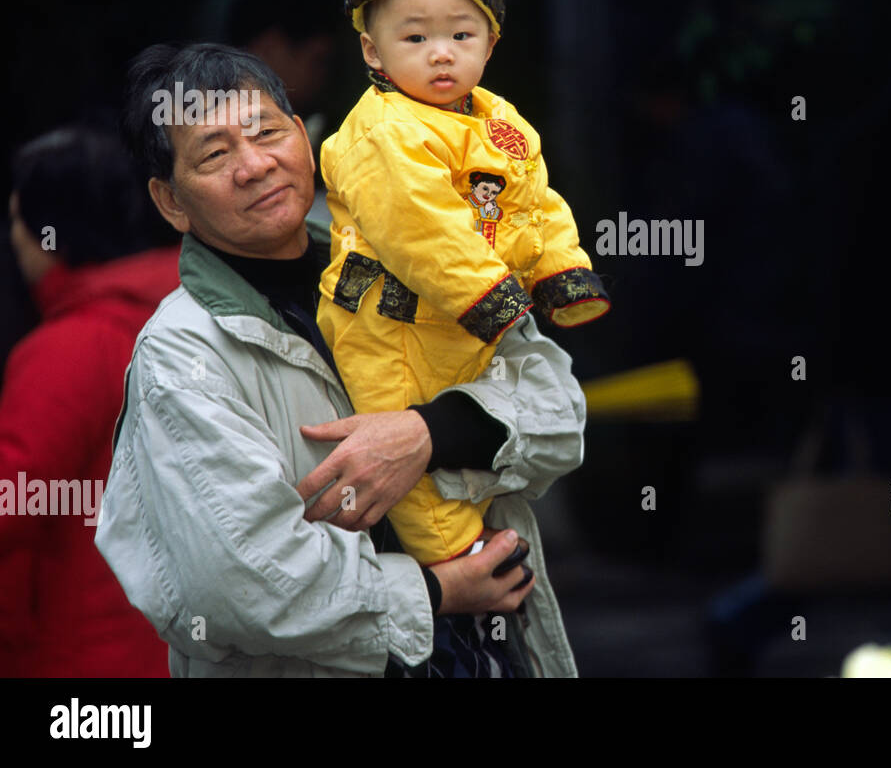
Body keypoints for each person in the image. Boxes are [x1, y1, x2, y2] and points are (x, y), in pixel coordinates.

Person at [96, 42, 584, 677]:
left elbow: (560, 414)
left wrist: (428, 435)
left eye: (266, 132)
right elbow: (242, 584)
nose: (254, 165)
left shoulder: (415, 259)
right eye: (215, 154)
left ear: (303, 137)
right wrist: (435, 593)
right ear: (171, 202)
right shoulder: (183, 352)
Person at [317, 0, 610, 567]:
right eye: (414, 36)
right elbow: (416, 223)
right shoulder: (382, 129)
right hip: (388, 323)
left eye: (460, 33)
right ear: (373, 50)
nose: (441, 52)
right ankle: (457, 557)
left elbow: (534, 203)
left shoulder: (502, 124)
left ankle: (476, 560)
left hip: (473, 323)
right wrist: (488, 292)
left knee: (484, 435)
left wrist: (560, 270)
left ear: (490, 43)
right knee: (399, 443)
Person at [0, 127, 178, 677]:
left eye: (16, 220)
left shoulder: (73, 347)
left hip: (84, 660)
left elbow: (14, 500)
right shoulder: (187, 318)